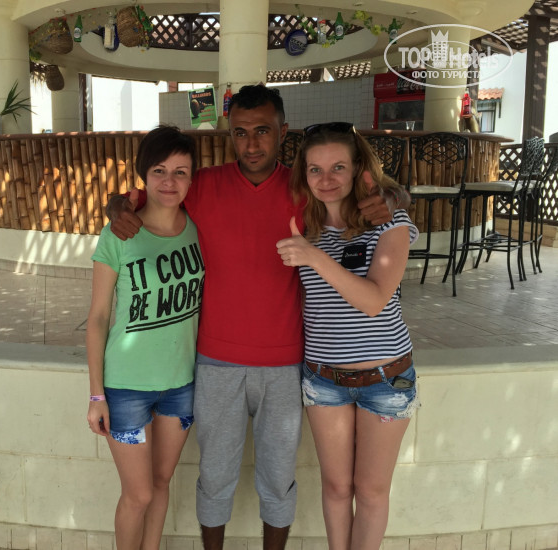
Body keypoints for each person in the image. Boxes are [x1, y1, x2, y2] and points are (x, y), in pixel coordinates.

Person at [107, 85, 410, 550]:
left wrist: (394, 194)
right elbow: (155, 191)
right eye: (241, 132)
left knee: (278, 478)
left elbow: (368, 195)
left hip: (286, 362)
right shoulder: (203, 185)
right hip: (215, 361)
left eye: (263, 131)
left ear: (283, 132)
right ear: (230, 134)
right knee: (215, 476)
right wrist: (118, 203)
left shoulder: (304, 188)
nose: (251, 144)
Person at [276, 122, 420, 550]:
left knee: (371, 492)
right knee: (337, 489)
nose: (326, 179)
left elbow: (374, 300)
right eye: (315, 169)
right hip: (324, 380)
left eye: (338, 167)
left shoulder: (389, 221)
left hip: (385, 380)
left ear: (358, 168)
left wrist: (312, 257)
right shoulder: (305, 227)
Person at [86, 125, 204, 550]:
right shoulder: (120, 232)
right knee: (137, 494)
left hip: (181, 383)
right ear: (143, 175)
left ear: (192, 178)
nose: (169, 182)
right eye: (159, 171)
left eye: (180, 172)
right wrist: (96, 394)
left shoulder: (199, 228)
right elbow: (98, 317)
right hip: (126, 387)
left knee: (160, 482)